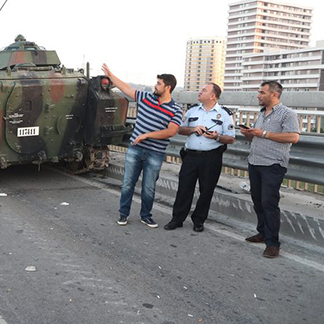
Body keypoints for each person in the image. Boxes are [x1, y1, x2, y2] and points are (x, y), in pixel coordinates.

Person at [101, 63, 183, 228]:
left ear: (168, 87)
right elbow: (126, 88)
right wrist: (111, 75)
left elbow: (171, 131)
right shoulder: (146, 97)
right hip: (135, 150)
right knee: (127, 184)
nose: (155, 85)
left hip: (155, 153)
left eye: (159, 84)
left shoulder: (176, 109)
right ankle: (123, 215)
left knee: (149, 187)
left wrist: (147, 135)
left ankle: (146, 216)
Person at [164, 83, 235, 232]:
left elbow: (231, 138)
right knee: (184, 188)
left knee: (206, 190)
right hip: (191, 156)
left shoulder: (224, 114)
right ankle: (177, 219)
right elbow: (180, 129)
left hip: (211, 158)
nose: (200, 92)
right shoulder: (192, 110)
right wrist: (192, 129)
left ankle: (199, 220)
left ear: (212, 96)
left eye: (204, 90)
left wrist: (217, 137)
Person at [241, 81, 300, 258]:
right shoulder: (262, 113)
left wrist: (264, 134)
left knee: (269, 203)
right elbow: (260, 138)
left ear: (274, 94)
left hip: (273, 165)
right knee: (258, 200)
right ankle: (262, 232)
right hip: (255, 162)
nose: (258, 95)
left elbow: (293, 137)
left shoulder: (288, 113)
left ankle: (273, 243)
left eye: (262, 92)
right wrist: (250, 135)